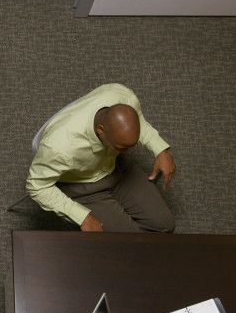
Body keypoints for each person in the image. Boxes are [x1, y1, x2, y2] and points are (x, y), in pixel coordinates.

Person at [25, 83, 176, 232]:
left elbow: (138, 123)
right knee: (129, 244)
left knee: (165, 226)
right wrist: (81, 216)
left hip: (118, 168)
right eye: (121, 147)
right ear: (101, 130)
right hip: (82, 187)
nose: (127, 152)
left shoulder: (124, 97)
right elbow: (36, 186)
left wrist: (161, 150)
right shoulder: (58, 148)